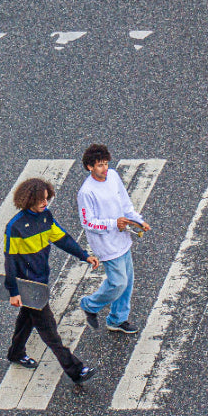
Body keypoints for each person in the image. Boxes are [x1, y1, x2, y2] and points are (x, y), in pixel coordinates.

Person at [4, 177, 100, 385]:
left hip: (41, 280)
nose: (45, 203)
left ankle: (15, 353)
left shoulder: (46, 217)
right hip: (28, 286)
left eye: (46, 198)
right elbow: (9, 261)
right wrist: (13, 291)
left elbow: (62, 239)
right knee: (49, 330)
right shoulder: (15, 227)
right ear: (28, 199)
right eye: (40, 200)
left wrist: (84, 255)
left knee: (26, 320)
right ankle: (76, 370)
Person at [77, 143, 150, 334]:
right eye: (100, 165)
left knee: (127, 284)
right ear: (89, 167)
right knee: (118, 283)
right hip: (106, 245)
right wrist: (113, 224)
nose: (105, 168)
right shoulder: (86, 192)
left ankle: (117, 320)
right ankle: (89, 305)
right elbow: (88, 223)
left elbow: (125, 203)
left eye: (106, 163)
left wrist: (137, 221)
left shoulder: (114, 176)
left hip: (123, 239)